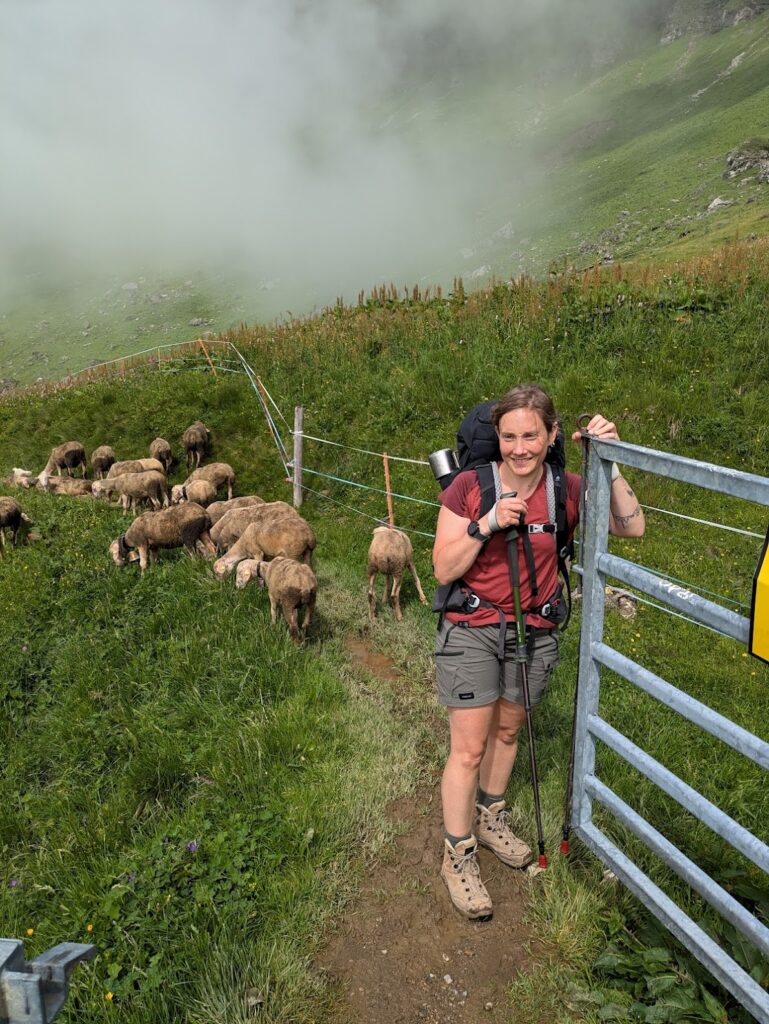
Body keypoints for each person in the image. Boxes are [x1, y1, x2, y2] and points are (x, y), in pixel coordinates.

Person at [432, 384, 645, 920]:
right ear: (496, 438)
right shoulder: (468, 487)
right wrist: (486, 525)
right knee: (469, 749)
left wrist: (612, 465)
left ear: (552, 435)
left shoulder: (566, 489)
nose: (520, 447)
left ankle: (491, 816)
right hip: (474, 627)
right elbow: (442, 568)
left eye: (532, 435)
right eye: (509, 436)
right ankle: (457, 854)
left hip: (536, 632)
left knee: (509, 730)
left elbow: (631, 526)